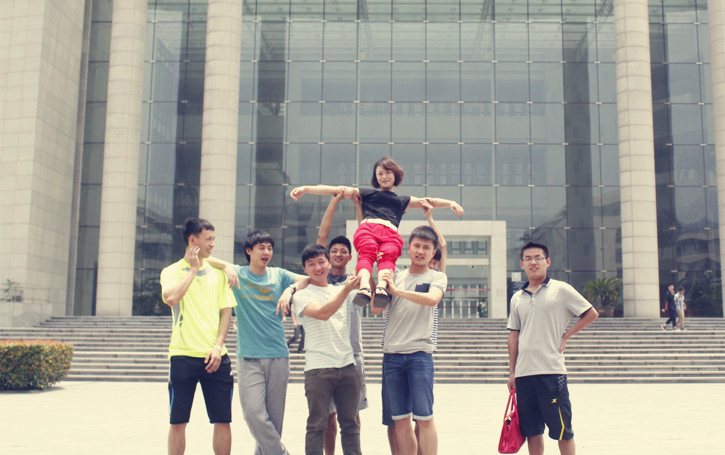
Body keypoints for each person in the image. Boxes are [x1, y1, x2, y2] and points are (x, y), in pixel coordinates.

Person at [290, 156, 463, 308]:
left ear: (395, 175)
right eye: (379, 173)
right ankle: (365, 287)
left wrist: (451, 203)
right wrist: (306, 189)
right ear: (375, 178)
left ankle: (381, 287)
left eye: (387, 172)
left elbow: (430, 201)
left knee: (388, 256)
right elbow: (338, 189)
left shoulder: (403, 201)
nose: (384, 176)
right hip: (369, 229)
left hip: (391, 234)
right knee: (366, 255)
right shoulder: (367, 194)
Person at [207, 230, 307, 455]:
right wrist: (226, 266)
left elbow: (309, 279)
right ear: (249, 251)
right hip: (248, 357)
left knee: (273, 420)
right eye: (261, 248)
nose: (266, 252)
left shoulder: (278, 275)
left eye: (269, 248)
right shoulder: (238, 274)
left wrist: (289, 290)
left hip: (278, 356)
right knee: (253, 414)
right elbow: (205, 259)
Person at [507, 241, 599, 455]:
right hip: (524, 374)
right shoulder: (517, 297)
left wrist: (566, 335)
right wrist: (512, 372)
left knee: (562, 431)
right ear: (522, 264)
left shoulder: (561, 289)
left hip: (551, 372)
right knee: (532, 431)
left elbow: (591, 313)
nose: (533, 262)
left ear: (547, 262)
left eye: (538, 258)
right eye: (528, 259)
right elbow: (513, 336)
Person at [160, 218, 237, 455]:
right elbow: (171, 298)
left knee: (222, 419)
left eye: (214, 239)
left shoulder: (219, 274)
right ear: (193, 240)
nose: (213, 244)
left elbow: (226, 313)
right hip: (182, 356)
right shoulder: (171, 272)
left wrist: (218, 347)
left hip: (216, 357)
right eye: (208, 239)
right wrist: (193, 270)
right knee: (178, 421)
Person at [371, 225, 448, 455]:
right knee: (401, 420)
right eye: (417, 246)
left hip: (419, 356)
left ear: (433, 252)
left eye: (426, 247)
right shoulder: (395, 275)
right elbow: (376, 309)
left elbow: (432, 299)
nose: (421, 251)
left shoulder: (437, 277)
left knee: (425, 418)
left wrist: (398, 291)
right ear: (408, 247)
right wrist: (376, 284)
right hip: (392, 356)